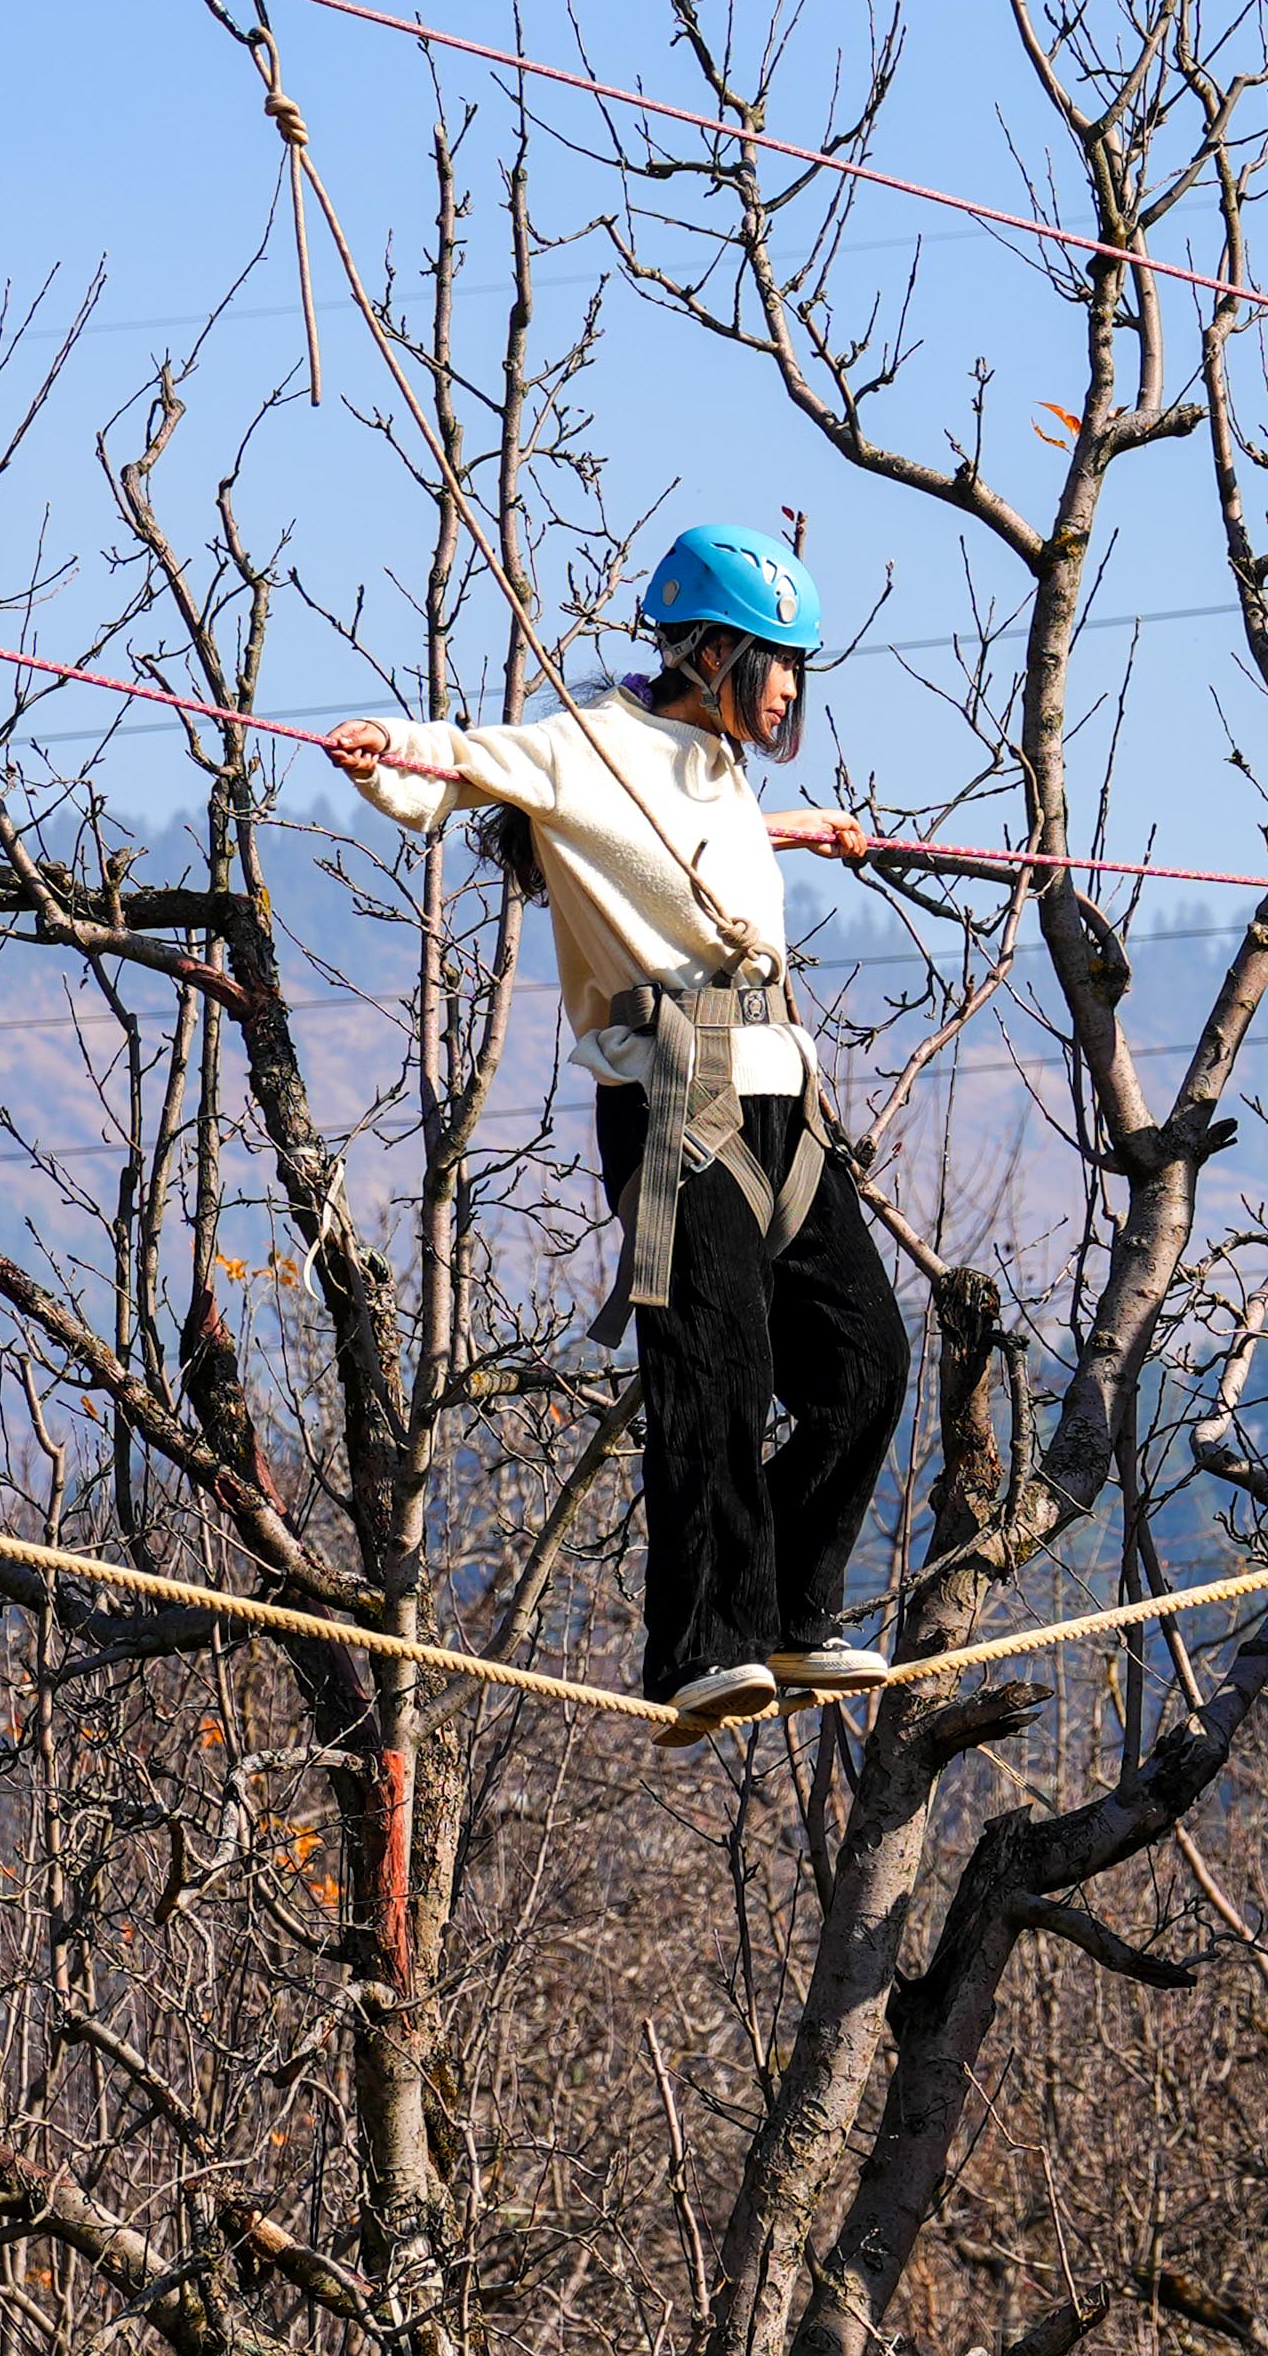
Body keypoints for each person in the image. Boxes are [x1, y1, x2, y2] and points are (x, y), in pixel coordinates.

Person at [327, 521, 908, 1745]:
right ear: (709, 654)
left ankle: (793, 1616)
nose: (793, 689)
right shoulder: (583, 746)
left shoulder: (718, 768)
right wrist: (387, 752)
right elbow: (467, 764)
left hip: (781, 1100)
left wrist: (796, 830)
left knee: (865, 1366)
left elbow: (689, 843)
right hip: (671, 1100)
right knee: (716, 1377)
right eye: (777, 661)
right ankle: (704, 1648)